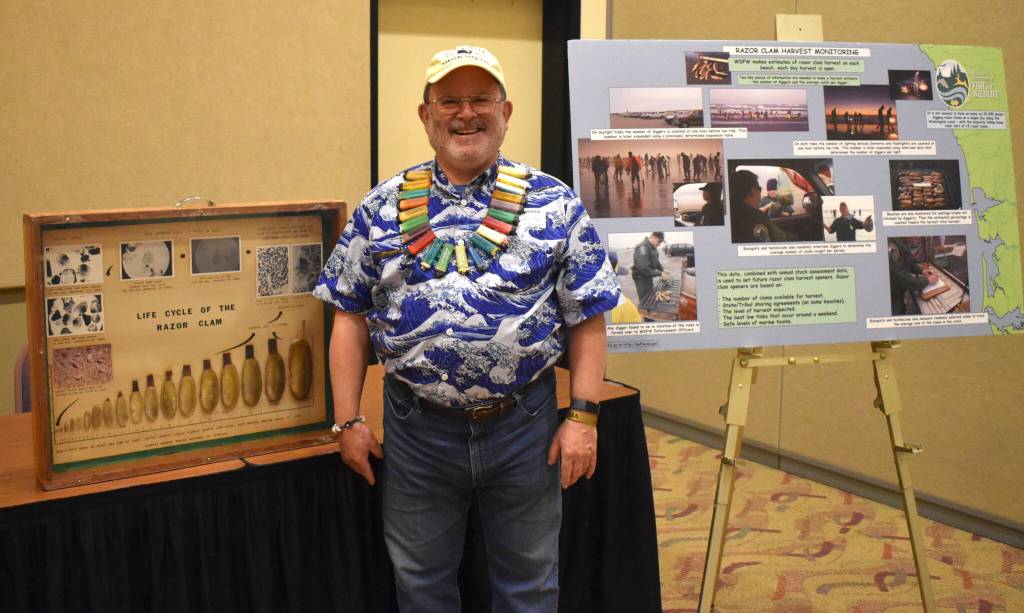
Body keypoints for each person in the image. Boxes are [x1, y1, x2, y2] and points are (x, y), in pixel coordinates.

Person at [314, 45, 621, 612]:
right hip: (416, 428)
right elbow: (348, 314)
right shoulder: (383, 207)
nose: (466, 113)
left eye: (481, 99)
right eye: (449, 100)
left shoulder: (552, 203)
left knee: (530, 581)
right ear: (425, 115)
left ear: (507, 111)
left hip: (524, 424)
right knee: (420, 580)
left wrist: (583, 416)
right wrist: (347, 419)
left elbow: (589, 314)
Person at [729, 169, 793, 243]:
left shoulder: (732, 216)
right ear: (752, 191)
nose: (760, 192)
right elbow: (782, 239)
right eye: (759, 188)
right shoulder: (757, 217)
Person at [889, 237, 937, 315]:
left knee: (902, 309)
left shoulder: (902, 240)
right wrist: (927, 281)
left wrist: (921, 271)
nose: (919, 237)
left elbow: (908, 261)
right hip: (891, 295)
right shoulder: (891, 243)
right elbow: (900, 276)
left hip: (898, 291)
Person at [631, 231, 667, 306]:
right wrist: (660, 273)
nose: (660, 244)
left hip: (648, 276)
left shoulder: (653, 248)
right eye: (659, 241)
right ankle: (647, 316)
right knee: (644, 298)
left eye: (661, 242)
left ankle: (649, 310)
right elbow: (644, 269)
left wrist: (662, 270)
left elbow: (656, 262)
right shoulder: (643, 248)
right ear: (653, 237)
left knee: (650, 294)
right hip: (642, 278)